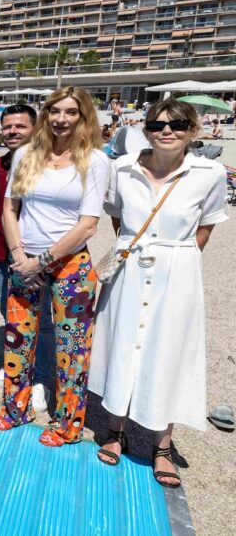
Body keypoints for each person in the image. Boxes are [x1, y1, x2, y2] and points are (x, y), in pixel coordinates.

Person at [90, 99, 228, 487]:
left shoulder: (210, 173)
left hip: (177, 271)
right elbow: (116, 215)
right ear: (146, 128)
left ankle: (162, 445)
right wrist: (134, 245)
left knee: (168, 350)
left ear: (193, 130)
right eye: (158, 124)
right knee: (121, 343)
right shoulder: (123, 167)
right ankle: (115, 430)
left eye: (178, 124)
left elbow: (208, 224)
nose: (167, 131)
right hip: (130, 266)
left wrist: (177, 258)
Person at [0, 86, 109, 447]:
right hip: (24, 258)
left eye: (71, 112)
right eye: (55, 111)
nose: (61, 119)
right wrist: (17, 254)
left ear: (84, 116)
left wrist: (41, 261)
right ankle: (16, 408)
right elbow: (10, 208)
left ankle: (68, 423)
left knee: (71, 347)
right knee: (17, 340)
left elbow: (89, 224)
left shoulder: (95, 161)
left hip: (70, 263)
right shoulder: (28, 153)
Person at [0, 105, 55, 411]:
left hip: (40, 259)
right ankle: (17, 370)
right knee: (11, 314)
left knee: (42, 322)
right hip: (3, 256)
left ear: (36, 128)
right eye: (8, 126)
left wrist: (44, 258)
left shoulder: (50, 165)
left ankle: (41, 381)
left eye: (21, 126)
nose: (13, 131)